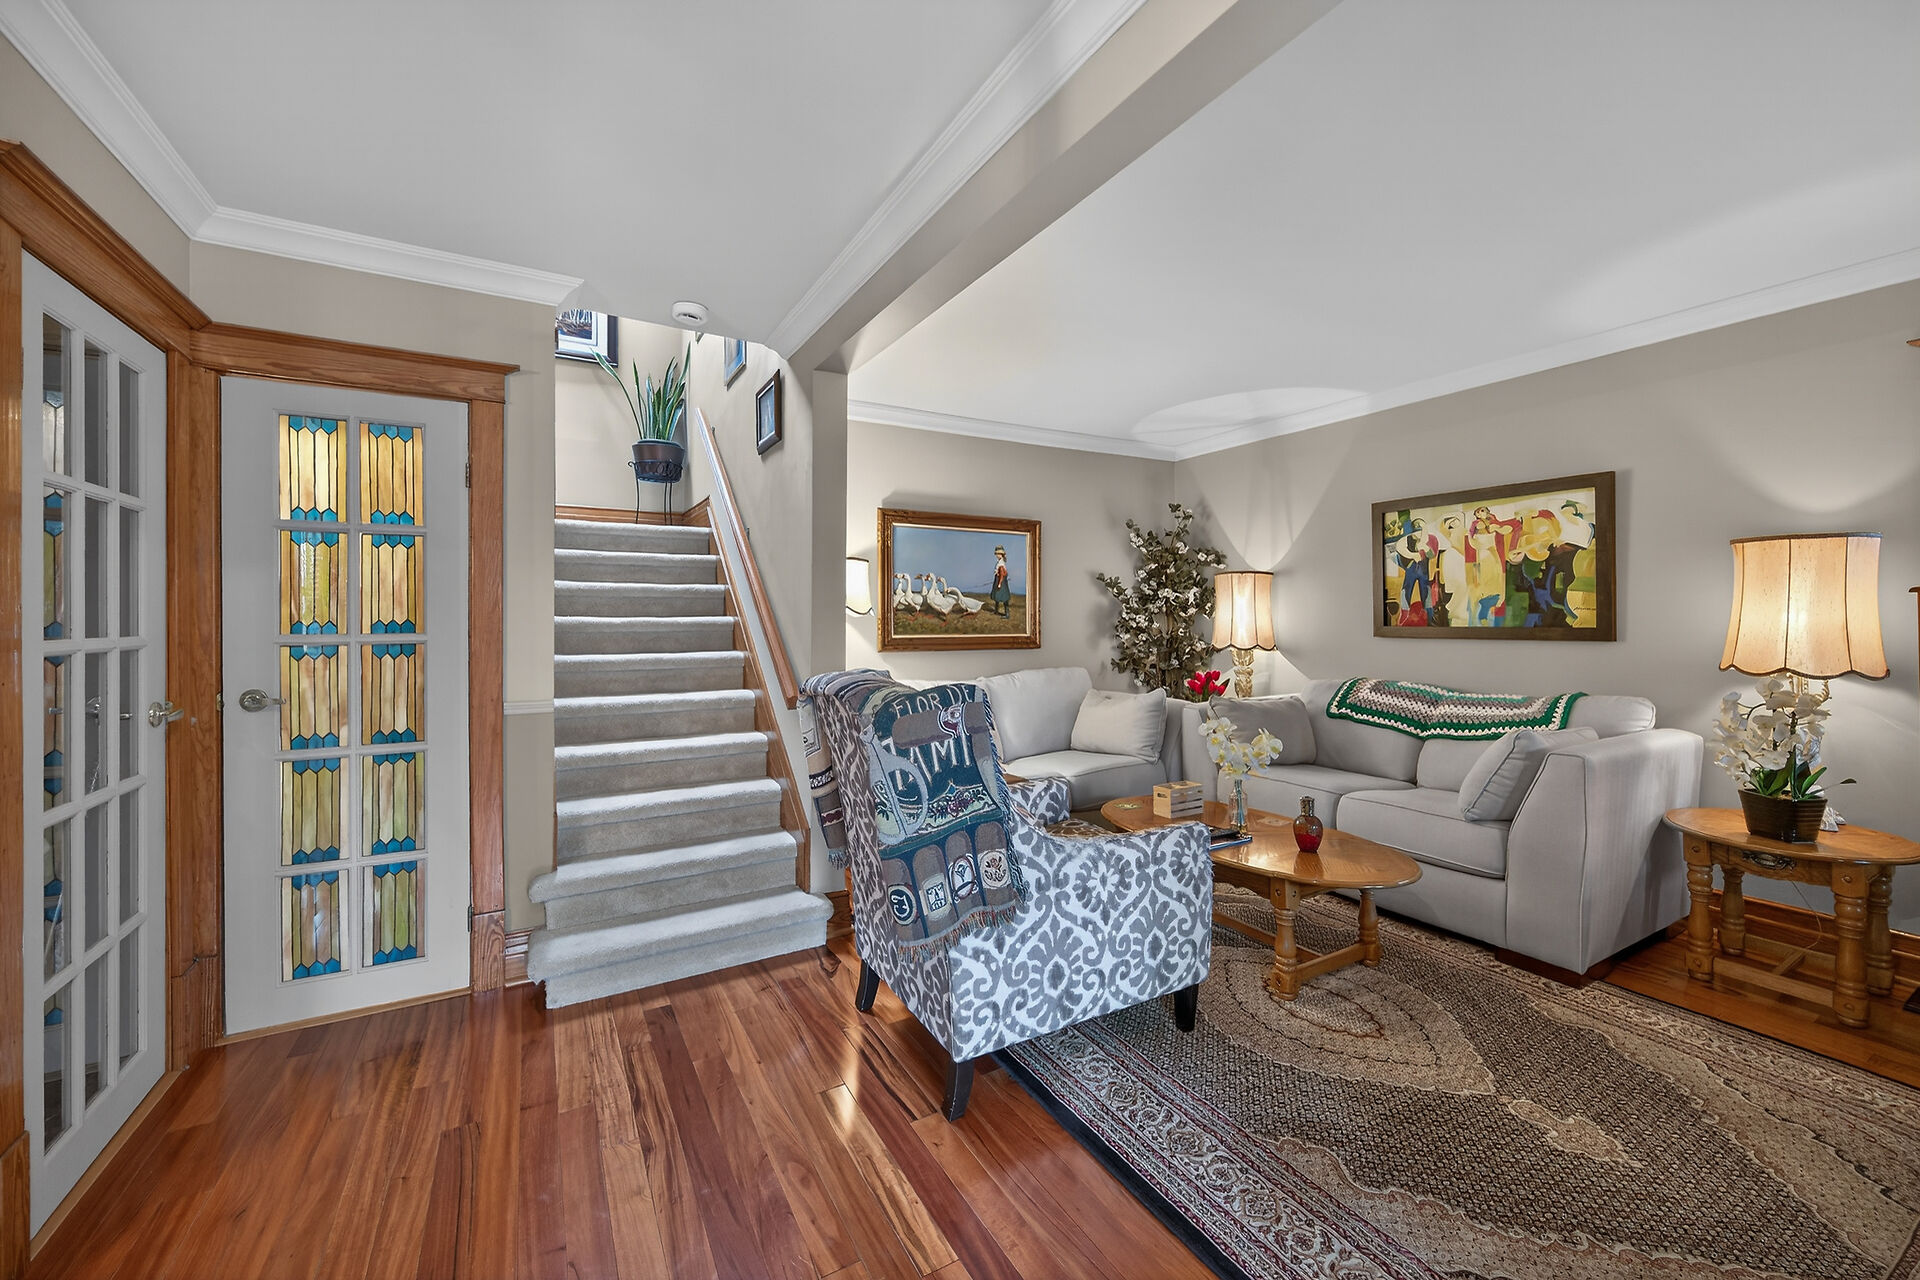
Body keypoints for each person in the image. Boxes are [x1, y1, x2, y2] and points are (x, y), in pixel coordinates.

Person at [989, 546, 1012, 617]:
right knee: (997, 596)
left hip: (1001, 582)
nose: (996, 555)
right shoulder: (999, 562)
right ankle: (996, 611)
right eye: (996, 554)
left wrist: (999, 583)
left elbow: (1002, 574)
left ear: (1001, 555)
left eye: (998, 554)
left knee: (1004, 597)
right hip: (998, 580)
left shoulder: (1001, 564)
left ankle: (1007, 614)